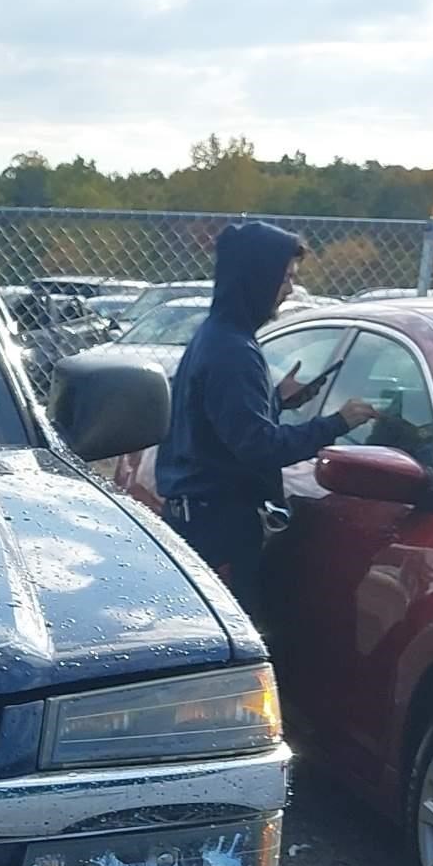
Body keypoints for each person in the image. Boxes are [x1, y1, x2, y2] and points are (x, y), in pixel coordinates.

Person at [154, 220, 373, 597]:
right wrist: (338, 422)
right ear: (256, 277)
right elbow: (260, 448)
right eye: (285, 278)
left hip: (202, 520)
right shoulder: (232, 352)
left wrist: (276, 399)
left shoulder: (218, 335)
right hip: (218, 530)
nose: (290, 289)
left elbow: (220, 421)